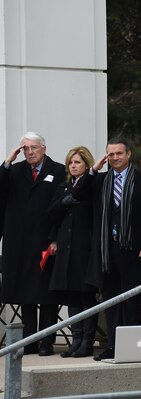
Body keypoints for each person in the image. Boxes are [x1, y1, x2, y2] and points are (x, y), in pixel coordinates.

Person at [86, 136, 141, 361]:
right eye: (111, 154)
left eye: (119, 153)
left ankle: (133, 349)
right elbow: (78, 194)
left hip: (135, 251)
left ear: (128, 155)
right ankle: (113, 347)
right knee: (111, 300)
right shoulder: (99, 180)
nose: (115, 157)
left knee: (132, 301)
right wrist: (93, 171)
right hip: (108, 252)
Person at [0, 132, 65, 356]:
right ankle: (29, 342)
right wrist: (7, 162)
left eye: (33, 148)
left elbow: (62, 208)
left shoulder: (58, 170)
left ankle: (46, 342)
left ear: (43, 149)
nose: (29, 152)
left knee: (47, 295)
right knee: (26, 294)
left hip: (45, 241)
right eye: (25, 148)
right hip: (20, 243)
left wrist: (56, 237)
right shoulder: (14, 171)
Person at [47, 146, 99, 357]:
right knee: (71, 297)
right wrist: (64, 202)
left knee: (86, 295)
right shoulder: (63, 187)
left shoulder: (92, 185)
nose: (73, 166)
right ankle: (75, 340)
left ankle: (87, 341)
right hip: (65, 249)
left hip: (84, 249)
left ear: (86, 164)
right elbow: (51, 214)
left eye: (77, 162)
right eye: (71, 162)